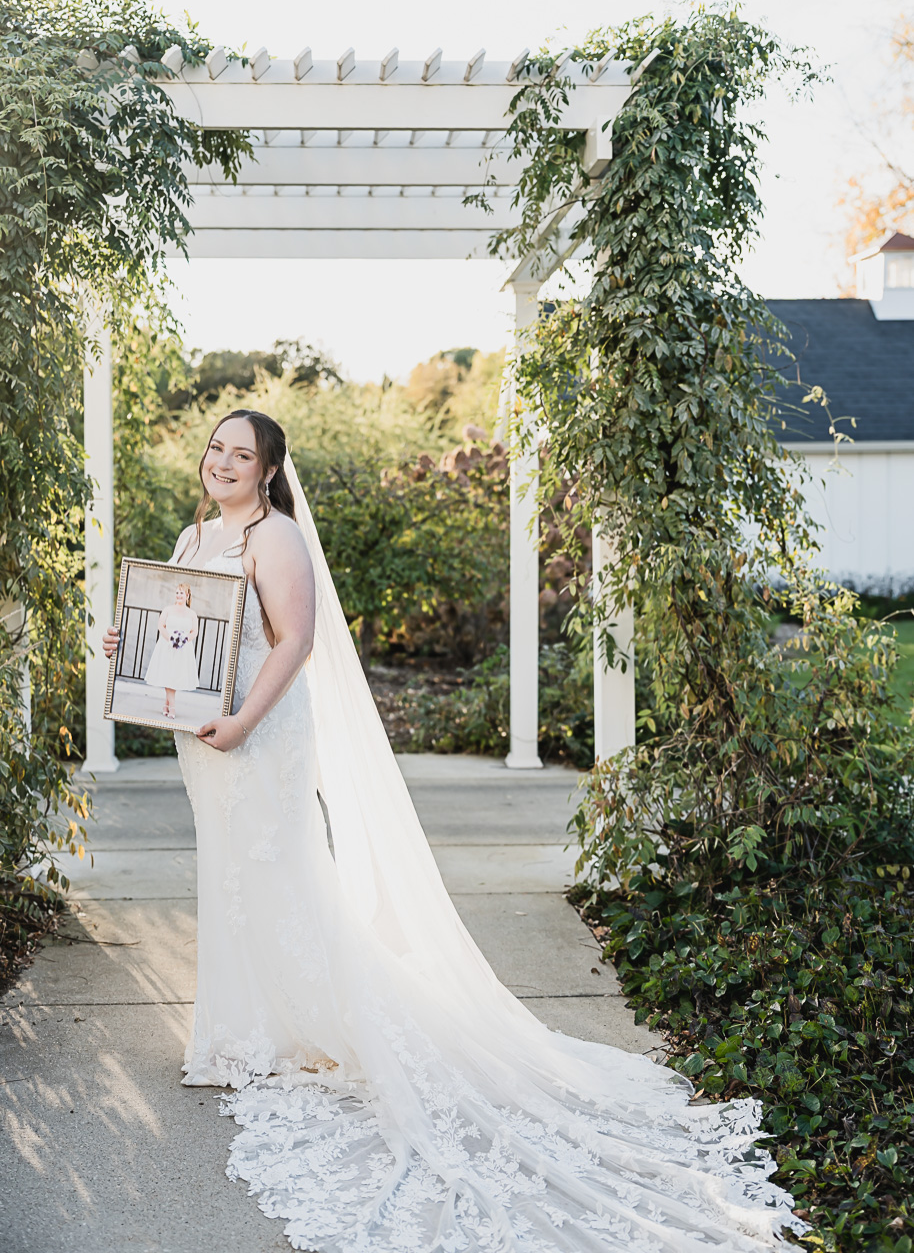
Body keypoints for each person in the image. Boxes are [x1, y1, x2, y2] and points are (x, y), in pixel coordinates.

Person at [103, 408, 805, 1253]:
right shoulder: (189, 537)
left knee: (280, 874)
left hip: (257, 736)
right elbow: (174, 633)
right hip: (204, 742)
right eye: (216, 447)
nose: (222, 461)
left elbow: (296, 645)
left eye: (240, 454)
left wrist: (246, 722)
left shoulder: (276, 539)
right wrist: (129, 646)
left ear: (267, 469)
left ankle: (302, 1025)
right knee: (230, 878)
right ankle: (245, 1028)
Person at [142, 583, 199, 719]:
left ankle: (166, 705)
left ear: (187, 595)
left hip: (183, 649)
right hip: (166, 645)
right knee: (168, 675)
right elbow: (161, 626)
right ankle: (172, 707)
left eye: (182, 593)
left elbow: (194, 631)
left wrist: (184, 640)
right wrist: (171, 639)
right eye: (177, 592)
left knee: (174, 676)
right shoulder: (168, 609)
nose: (179, 595)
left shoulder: (192, 614)